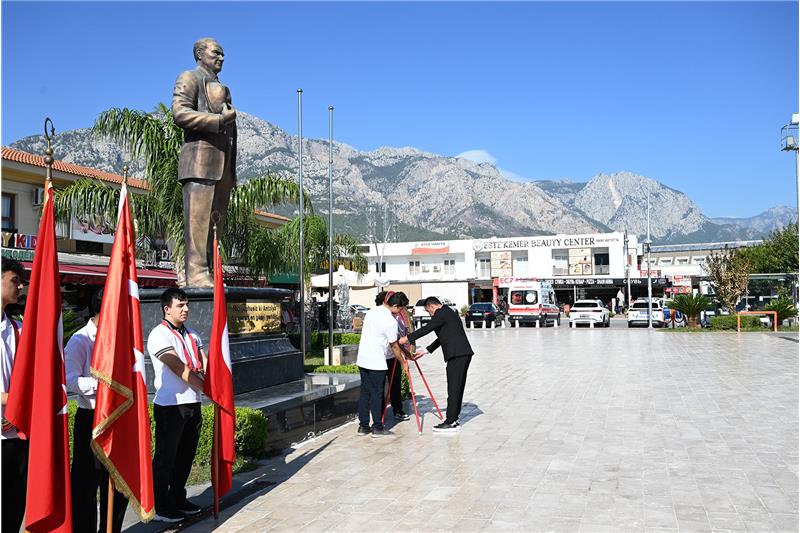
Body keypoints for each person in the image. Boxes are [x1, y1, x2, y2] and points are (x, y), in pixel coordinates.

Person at [172, 37, 237, 287]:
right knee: (197, 225)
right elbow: (180, 113)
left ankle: (210, 270)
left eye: (223, 54)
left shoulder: (218, 85)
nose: (221, 58)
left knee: (214, 225)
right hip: (199, 163)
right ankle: (197, 273)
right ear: (200, 54)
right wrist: (218, 121)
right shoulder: (189, 77)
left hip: (222, 166)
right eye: (216, 53)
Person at [66, 288, 129, 533]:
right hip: (91, 418)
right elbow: (70, 380)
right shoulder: (81, 340)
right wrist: (103, 385)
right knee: (86, 484)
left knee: (118, 483)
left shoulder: (120, 340)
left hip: (117, 417)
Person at [147, 288, 207, 522]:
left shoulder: (192, 335)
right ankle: (160, 505)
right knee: (166, 457)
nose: (186, 309)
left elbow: (204, 362)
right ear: (167, 309)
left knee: (185, 456)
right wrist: (207, 387)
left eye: (187, 304)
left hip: (193, 402)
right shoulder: (159, 334)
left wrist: (212, 379)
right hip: (171, 405)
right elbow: (177, 366)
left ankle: (178, 498)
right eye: (180, 305)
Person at [400, 296, 473, 433]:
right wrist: (426, 351)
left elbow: (426, 329)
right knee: (457, 387)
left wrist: (406, 339)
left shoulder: (441, 313)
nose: (430, 314)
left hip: (457, 354)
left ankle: (450, 422)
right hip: (461, 354)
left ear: (432, 306)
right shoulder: (448, 312)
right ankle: (453, 419)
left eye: (429, 311)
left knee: (454, 388)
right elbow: (442, 337)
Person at [356, 291, 409, 437]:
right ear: (395, 305)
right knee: (377, 394)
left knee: (365, 393)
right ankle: (377, 427)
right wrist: (403, 362)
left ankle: (363, 426)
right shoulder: (390, 321)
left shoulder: (372, 311)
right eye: (401, 308)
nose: (401, 311)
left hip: (363, 359)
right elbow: (395, 347)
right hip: (377, 361)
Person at [1, 259, 26, 533]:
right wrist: (9, 397)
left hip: (15, 434)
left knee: (13, 506)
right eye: (14, 280)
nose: (20, 287)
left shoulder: (18, 329)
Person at [376, 291, 410, 423]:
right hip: (381, 357)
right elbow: (393, 343)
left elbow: (402, 335)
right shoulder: (379, 316)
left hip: (393, 357)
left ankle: (398, 410)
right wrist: (403, 361)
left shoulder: (396, 317)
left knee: (395, 384)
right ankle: (379, 415)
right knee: (379, 388)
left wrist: (406, 352)